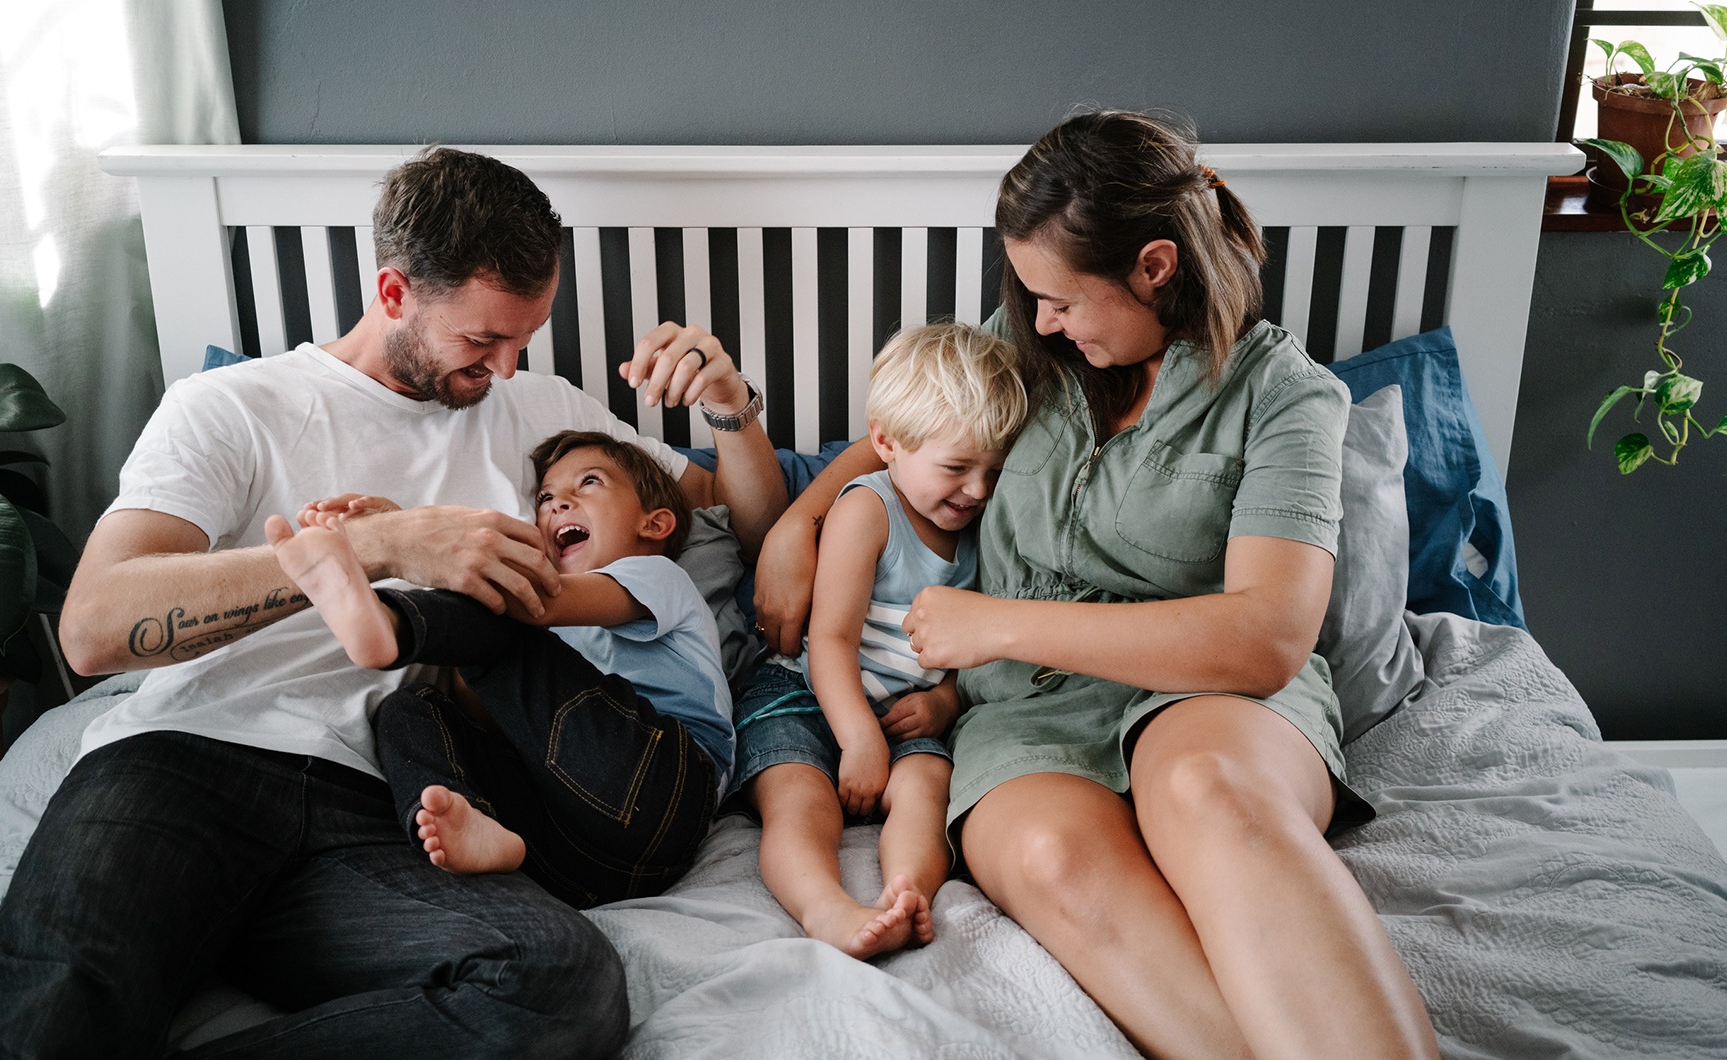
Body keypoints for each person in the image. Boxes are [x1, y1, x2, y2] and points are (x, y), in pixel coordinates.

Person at [0, 146, 784, 1059]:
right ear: (393, 293)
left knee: (560, 988)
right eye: (480, 343)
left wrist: (729, 404)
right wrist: (381, 544)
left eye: (522, 342)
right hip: (191, 763)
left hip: (391, 802)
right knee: (46, 1020)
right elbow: (94, 627)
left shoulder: (542, 408)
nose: (505, 369)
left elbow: (736, 522)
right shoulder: (233, 406)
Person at [753, 112, 1440, 1059]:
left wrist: (997, 625)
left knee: (1208, 793)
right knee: (1051, 857)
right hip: (1022, 714)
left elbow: (1267, 638)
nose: (1039, 323)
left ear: (1155, 266)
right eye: (1031, 299)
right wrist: (802, 517)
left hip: (1207, 687)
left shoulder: (1285, 397)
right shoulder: (1026, 346)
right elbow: (904, 434)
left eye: (1064, 301)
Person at [265, 429, 733, 909]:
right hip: (576, 861)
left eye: (589, 482)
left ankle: (391, 622)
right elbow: (487, 703)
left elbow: (539, 604)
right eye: (546, 497)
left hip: (666, 791)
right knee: (410, 708)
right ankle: (470, 818)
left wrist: (412, 538)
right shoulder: (551, 647)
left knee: (506, 617)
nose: (556, 504)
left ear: (653, 525)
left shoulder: (658, 576)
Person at [731, 322, 1028, 959]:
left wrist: (947, 701)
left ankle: (906, 895)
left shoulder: (984, 522)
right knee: (798, 799)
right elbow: (831, 638)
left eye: (993, 471)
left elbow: (977, 637)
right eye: (957, 467)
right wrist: (858, 738)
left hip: (904, 709)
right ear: (887, 443)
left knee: (926, 789)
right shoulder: (868, 509)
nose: (977, 490)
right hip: (809, 691)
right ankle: (824, 907)